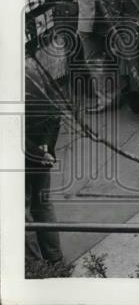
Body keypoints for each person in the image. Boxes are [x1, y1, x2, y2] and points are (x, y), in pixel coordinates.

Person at [24, 53, 64, 268]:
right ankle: (54, 258)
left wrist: (40, 153)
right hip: (40, 149)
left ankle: (36, 266)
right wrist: (46, 149)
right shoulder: (32, 71)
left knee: (23, 210)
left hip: (26, 155)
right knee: (43, 204)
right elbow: (55, 113)